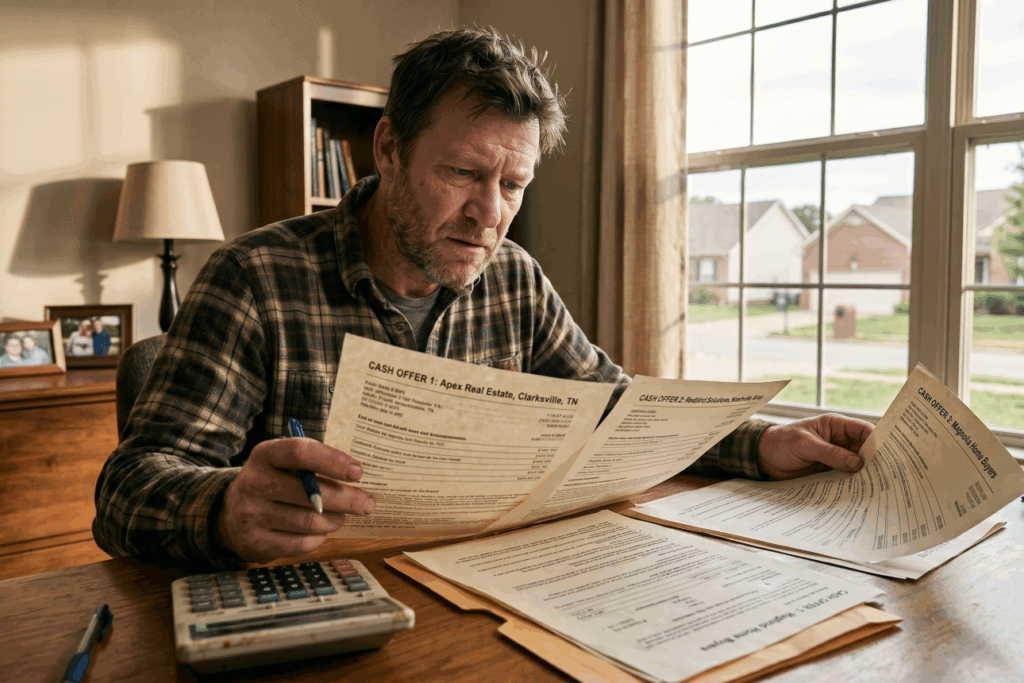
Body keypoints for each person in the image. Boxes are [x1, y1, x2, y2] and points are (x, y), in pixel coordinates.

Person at [94, 28, 873, 570]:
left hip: (475, 601)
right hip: (316, 616)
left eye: (514, 183)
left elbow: (620, 415)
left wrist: (762, 443)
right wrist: (227, 504)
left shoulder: (516, 280)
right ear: (391, 148)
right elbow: (126, 493)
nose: (490, 213)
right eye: (464, 174)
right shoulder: (255, 280)